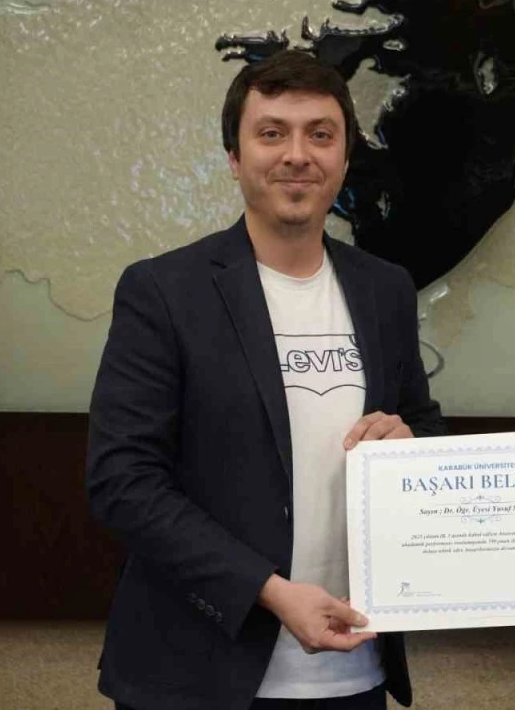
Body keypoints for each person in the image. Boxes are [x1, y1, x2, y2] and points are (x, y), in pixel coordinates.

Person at [86, 50, 443, 710]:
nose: (297, 155)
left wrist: (410, 442)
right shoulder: (164, 291)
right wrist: (269, 592)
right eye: (272, 133)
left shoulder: (385, 288)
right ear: (234, 156)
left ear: (345, 157)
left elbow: (421, 420)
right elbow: (122, 481)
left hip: (354, 668)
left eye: (320, 134)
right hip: (196, 676)